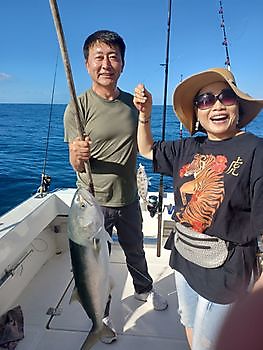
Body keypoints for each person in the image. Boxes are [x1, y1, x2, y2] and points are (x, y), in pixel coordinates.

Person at [134, 67, 263, 350]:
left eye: (225, 97)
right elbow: (146, 149)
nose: (216, 105)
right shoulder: (188, 147)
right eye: (205, 100)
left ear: (238, 106)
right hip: (184, 257)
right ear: (197, 113)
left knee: (212, 343)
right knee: (189, 323)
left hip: (227, 272)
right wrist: (145, 115)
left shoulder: (256, 151)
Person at [64, 30, 168, 344]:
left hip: (129, 198)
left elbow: (144, 145)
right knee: (97, 263)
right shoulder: (77, 108)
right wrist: (78, 155)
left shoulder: (131, 105)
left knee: (136, 250)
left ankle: (144, 288)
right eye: (99, 57)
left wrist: (147, 113)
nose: (106, 64)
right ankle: (102, 313)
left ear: (122, 63)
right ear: (87, 64)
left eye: (113, 57)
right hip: (92, 204)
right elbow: (75, 163)